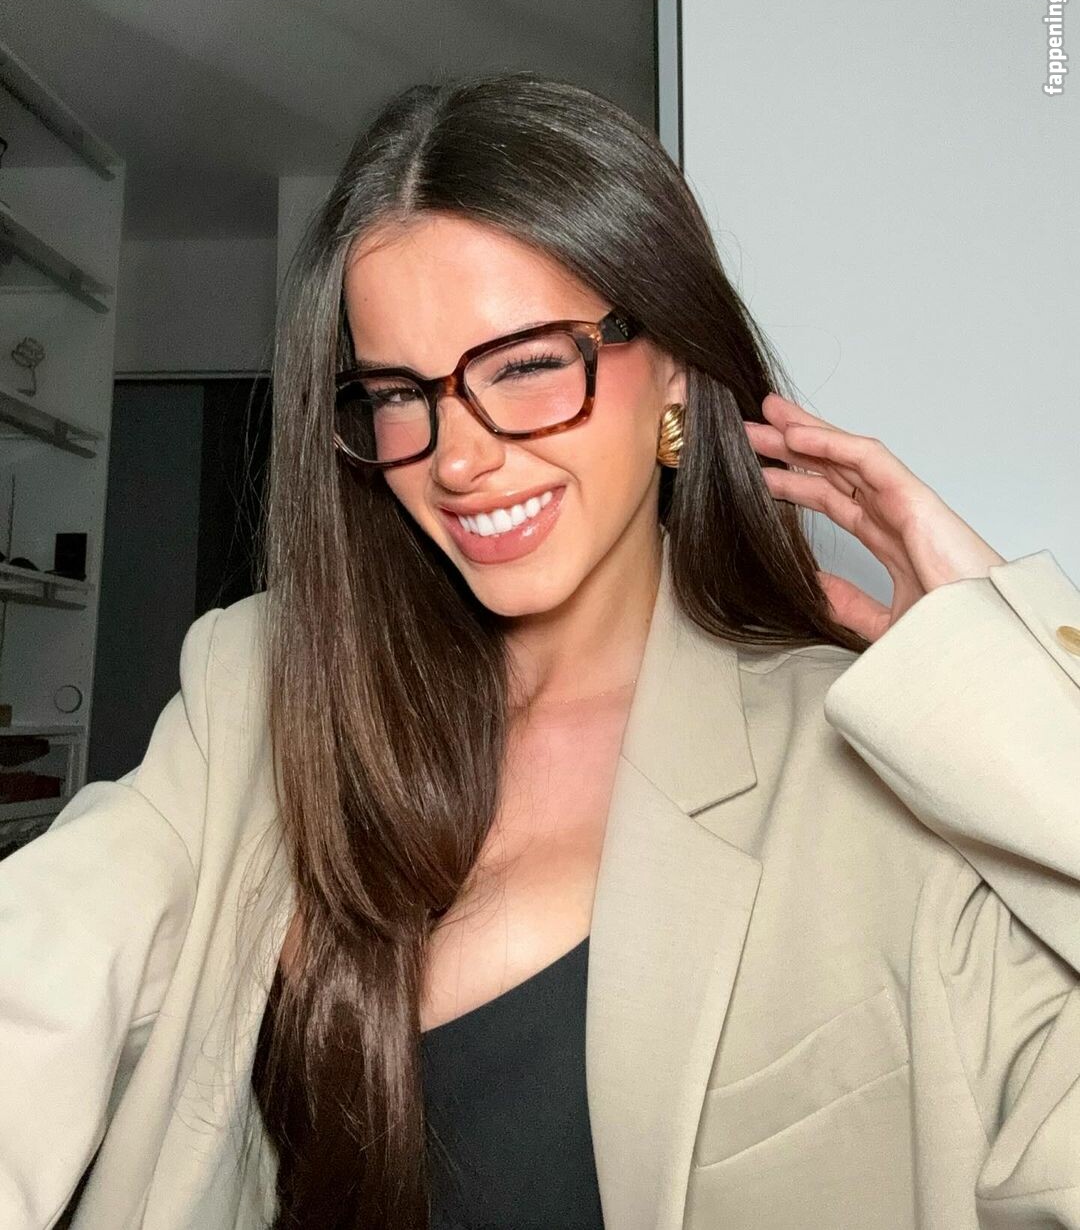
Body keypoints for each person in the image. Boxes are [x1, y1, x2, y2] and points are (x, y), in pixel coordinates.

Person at [1, 70, 1078, 1230]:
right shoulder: (262, 685)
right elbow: (38, 975)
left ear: (675, 367)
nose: (457, 459)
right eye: (399, 392)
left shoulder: (872, 762)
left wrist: (1012, 681)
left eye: (524, 364)